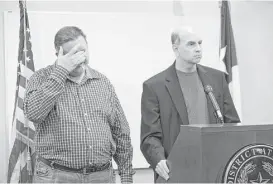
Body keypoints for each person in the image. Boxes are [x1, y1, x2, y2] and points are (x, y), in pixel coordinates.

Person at [24, 26, 134, 183]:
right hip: (56, 177)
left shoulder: (102, 82)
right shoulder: (41, 77)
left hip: (102, 177)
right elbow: (33, 113)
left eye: (82, 50)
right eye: (71, 54)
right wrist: (61, 71)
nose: (79, 57)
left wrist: (126, 175)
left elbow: (120, 131)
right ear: (58, 55)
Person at [140, 26, 240, 182]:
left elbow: (232, 122)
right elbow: (150, 136)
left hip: (216, 167)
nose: (198, 49)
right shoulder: (154, 86)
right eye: (191, 44)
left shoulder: (217, 79)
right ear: (175, 48)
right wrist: (159, 160)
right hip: (176, 170)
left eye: (200, 43)